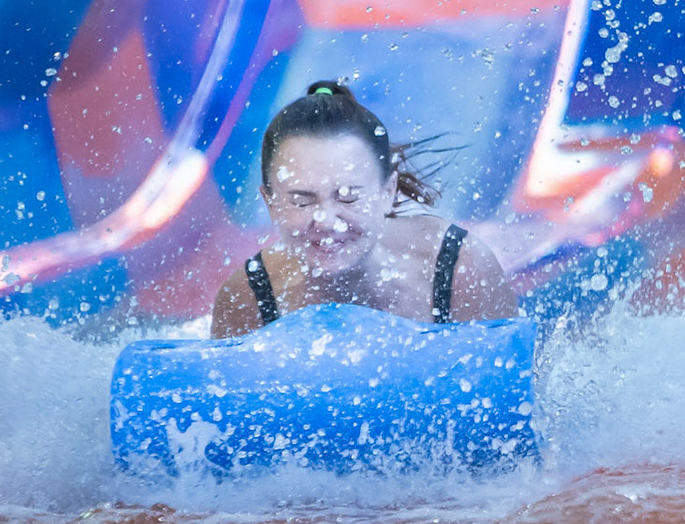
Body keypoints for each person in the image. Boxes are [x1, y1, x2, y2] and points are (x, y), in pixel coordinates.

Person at [211, 81, 518, 337]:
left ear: (387, 193)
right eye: (302, 201)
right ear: (271, 204)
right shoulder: (250, 299)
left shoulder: (458, 271)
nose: (326, 221)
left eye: (347, 198)